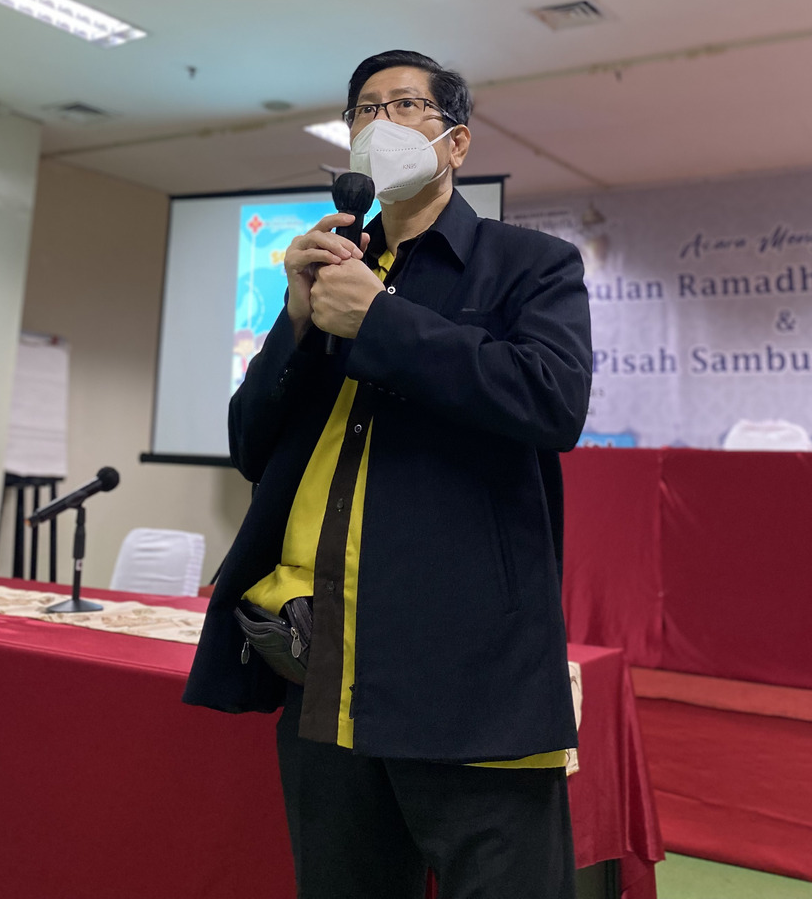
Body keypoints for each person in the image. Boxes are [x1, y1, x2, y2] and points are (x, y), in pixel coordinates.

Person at [185, 49, 592, 899]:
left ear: (457, 142)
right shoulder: (335, 267)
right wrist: (297, 321)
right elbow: (251, 444)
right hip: (321, 661)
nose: (380, 124)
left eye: (405, 106)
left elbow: (553, 403)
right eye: (364, 110)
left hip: (467, 666)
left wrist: (383, 321)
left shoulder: (530, 264)